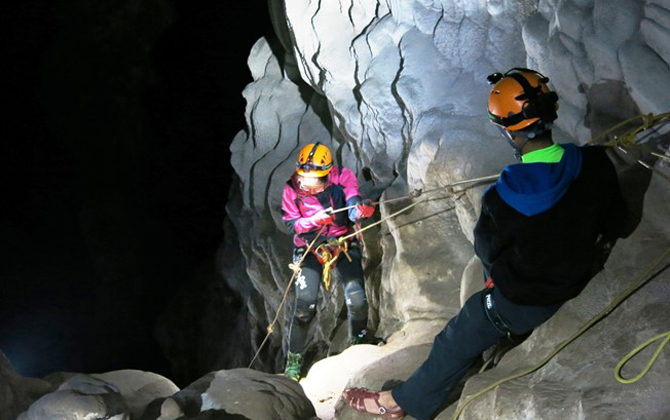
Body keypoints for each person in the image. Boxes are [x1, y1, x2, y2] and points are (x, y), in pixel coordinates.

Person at [341, 68, 629, 420]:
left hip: (527, 300)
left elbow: (488, 251)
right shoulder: (595, 162)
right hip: (579, 270)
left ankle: (398, 402)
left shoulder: (503, 197)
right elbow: (616, 221)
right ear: (550, 113)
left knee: (456, 335)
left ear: (510, 131)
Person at [281, 142, 377, 381]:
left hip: (341, 243)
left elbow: (353, 206)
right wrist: (314, 220)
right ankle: (293, 362)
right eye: (304, 178)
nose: (307, 184)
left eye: (314, 179)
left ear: (326, 174)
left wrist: (362, 211)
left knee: (357, 299)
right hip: (309, 247)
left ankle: (359, 343)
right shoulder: (292, 188)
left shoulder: (342, 177)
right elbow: (291, 223)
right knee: (305, 307)